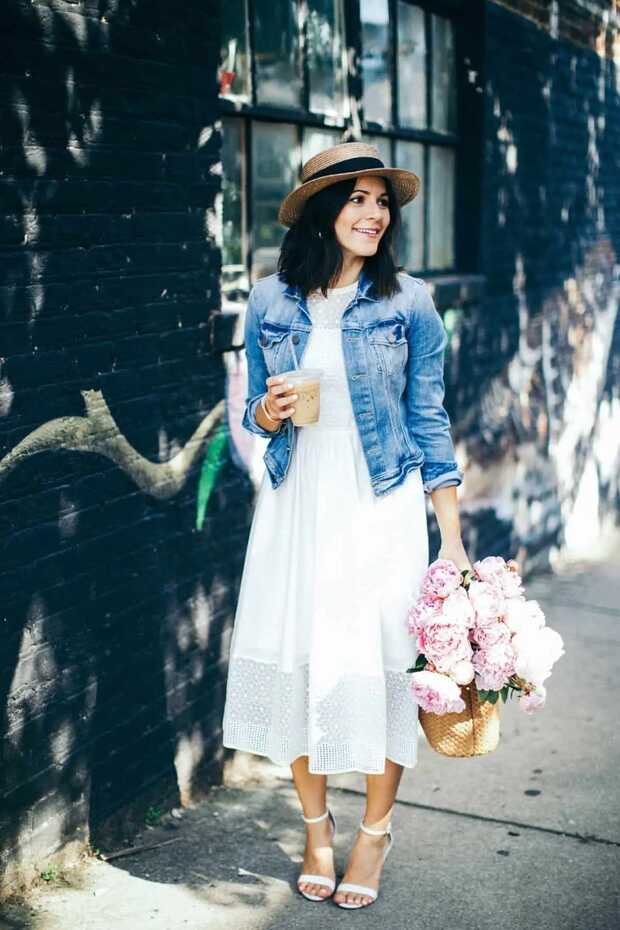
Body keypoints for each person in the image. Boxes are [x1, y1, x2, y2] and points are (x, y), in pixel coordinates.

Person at [222, 142, 471, 909]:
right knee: (302, 658)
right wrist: (266, 412)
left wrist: (452, 540)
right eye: (356, 199)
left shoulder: (410, 303)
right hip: (298, 502)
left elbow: (428, 417)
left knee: (384, 664)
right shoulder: (269, 299)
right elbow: (256, 410)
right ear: (323, 212)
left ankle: (375, 832)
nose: (373, 213)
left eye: (381, 201)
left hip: (380, 502)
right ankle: (317, 828)